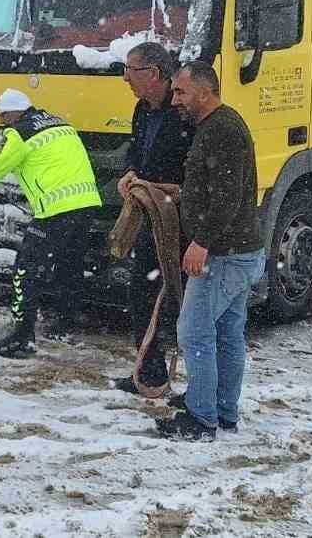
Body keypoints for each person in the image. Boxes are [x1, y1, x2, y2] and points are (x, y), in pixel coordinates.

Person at [156, 62, 266, 441]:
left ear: (205, 92)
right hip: (236, 249)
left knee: (194, 332)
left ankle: (201, 420)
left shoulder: (223, 130)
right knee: (226, 331)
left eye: (181, 92)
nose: (175, 100)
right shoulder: (215, 127)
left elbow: (227, 196)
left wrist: (201, 242)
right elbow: (214, 189)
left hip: (223, 253)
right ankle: (222, 411)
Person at [0, 89, 103, 358]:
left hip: (56, 209)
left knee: (26, 268)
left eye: (2, 118)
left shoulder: (18, 132)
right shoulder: (60, 123)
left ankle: (22, 335)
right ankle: (66, 322)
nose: (3, 124)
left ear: (8, 113)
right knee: (69, 265)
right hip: (86, 203)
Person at [112, 42, 196, 397]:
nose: (126, 79)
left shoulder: (183, 113)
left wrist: (171, 188)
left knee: (179, 299)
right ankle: (148, 374)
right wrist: (131, 172)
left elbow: (196, 165)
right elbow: (136, 148)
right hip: (150, 213)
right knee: (141, 292)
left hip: (180, 217)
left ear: (155, 74)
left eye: (132, 71)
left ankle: (197, 386)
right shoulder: (141, 109)